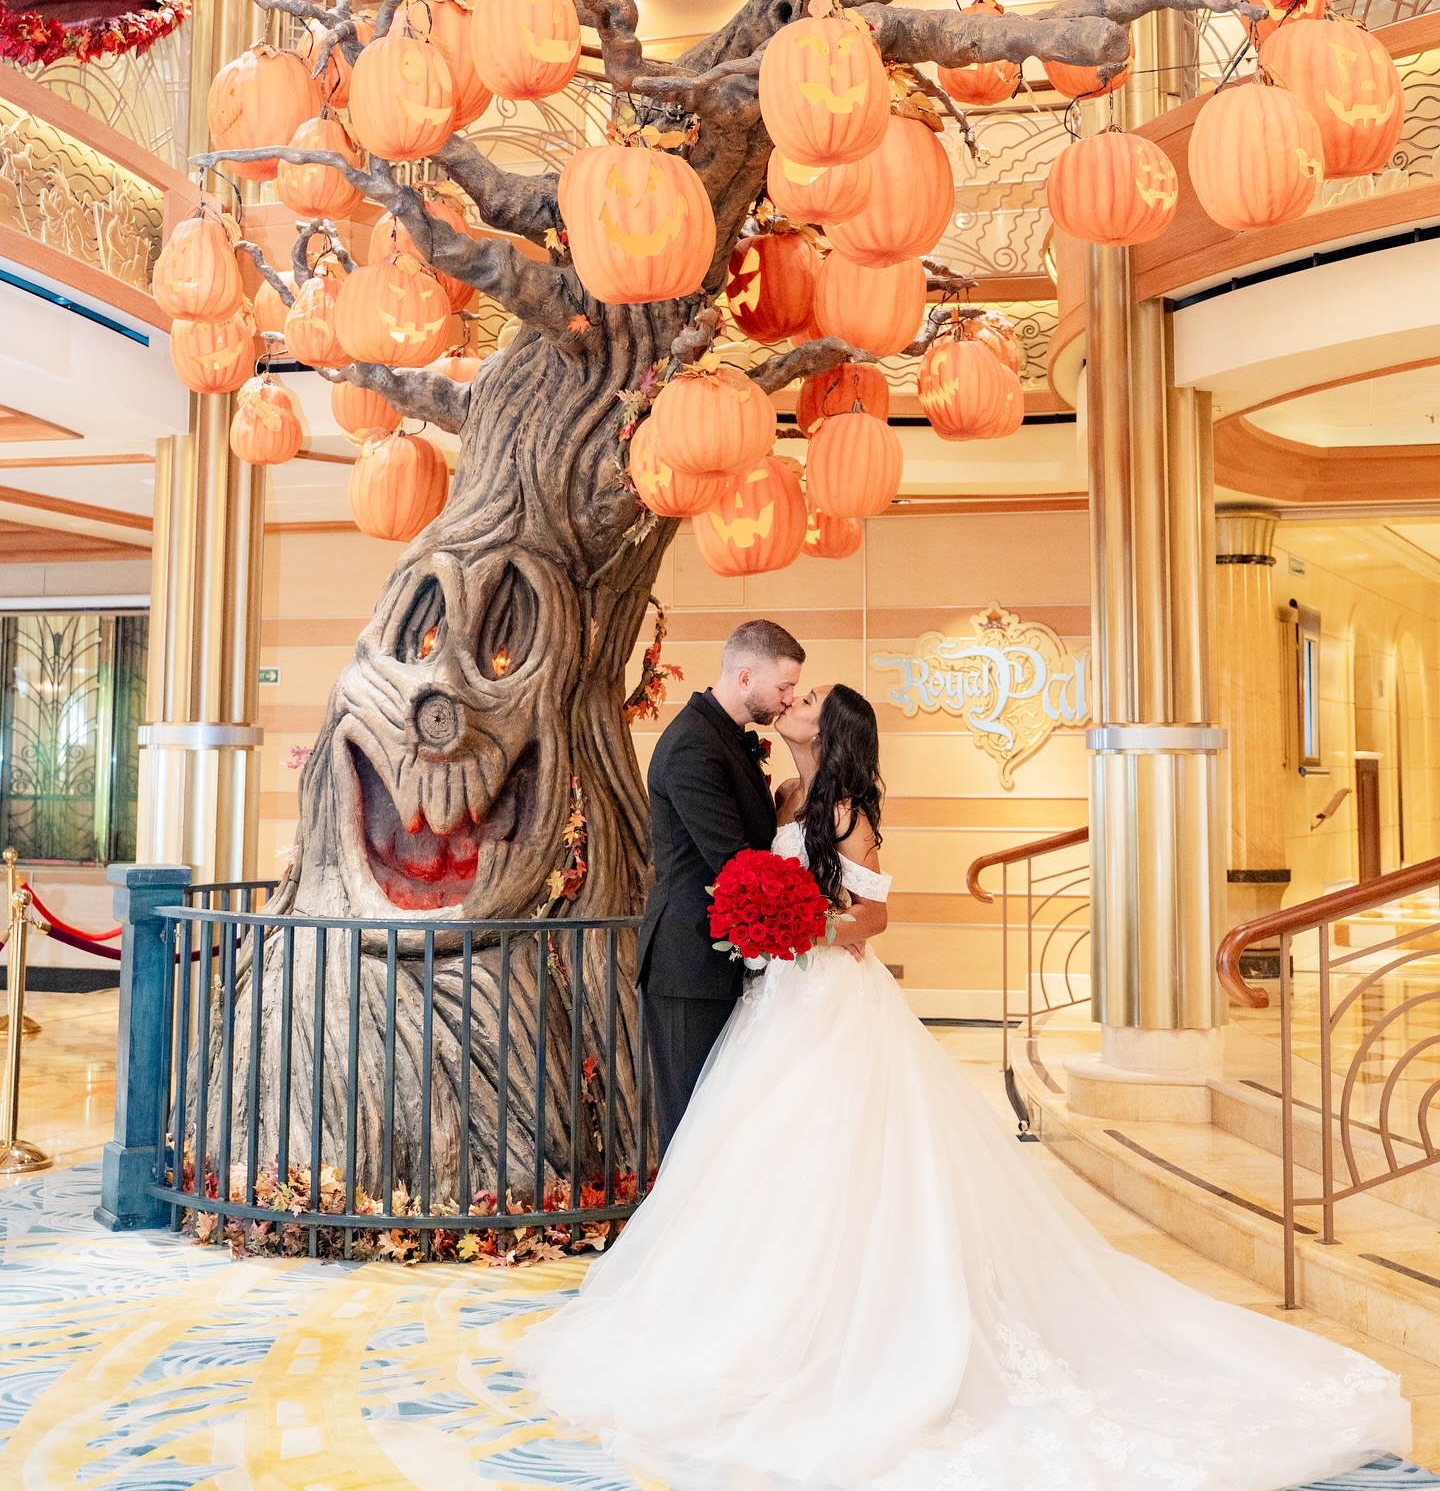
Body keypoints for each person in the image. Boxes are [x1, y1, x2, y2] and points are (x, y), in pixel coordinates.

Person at [522, 681, 1411, 1491]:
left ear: (830, 730)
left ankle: (857, 1332)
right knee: (763, 1153)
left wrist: (804, 928)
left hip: (830, 990)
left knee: (846, 1150)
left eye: (808, 699)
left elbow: (874, 913)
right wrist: (773, 926)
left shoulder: (846, 807)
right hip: (779, 997)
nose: (793, 701)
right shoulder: (785, 796)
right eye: (791, 693)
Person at [637, 617, 822, 1163]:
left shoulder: (728, 738)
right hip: (688, 961)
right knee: (690, 1122)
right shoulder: (694, 745)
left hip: (721, 959)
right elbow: (736, 863)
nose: (788, 699)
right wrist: (821, 923)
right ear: (745, 676)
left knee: (719, 1120)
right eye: (784, 686)